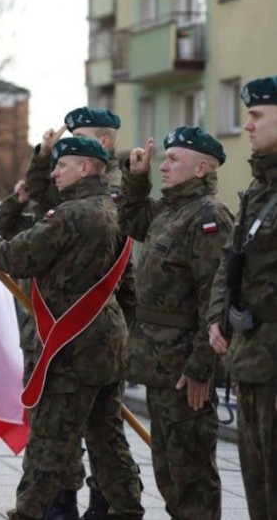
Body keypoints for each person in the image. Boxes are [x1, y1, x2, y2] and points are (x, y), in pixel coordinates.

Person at [0, 136, 143, 520]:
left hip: (70, 344)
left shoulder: (73, 214)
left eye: (62, 165)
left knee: (48, 439)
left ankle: (28, 513)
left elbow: (18, 256)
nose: (55, 172)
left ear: (86, 168)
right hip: (104, 337)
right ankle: (127, 510)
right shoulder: (112, 210)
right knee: (107, 438)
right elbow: (126, 286)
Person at [119, 126, 232, 519]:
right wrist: (137, 178)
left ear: (201, 168)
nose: (163, 166)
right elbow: (129, 220)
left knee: (192, 478)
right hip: (158, 363)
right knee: (169, 474)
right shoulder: (169, 211)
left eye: (172, 160)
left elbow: (215, 298)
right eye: (164, 158)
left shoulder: (207, 218)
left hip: (185, 368)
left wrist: (203, 366)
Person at [208, 75, 277, 520]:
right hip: (253, 359)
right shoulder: (257, 191)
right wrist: (218, 315)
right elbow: (230, 262)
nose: (247, 125)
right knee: (257, 483)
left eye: (256, 115)